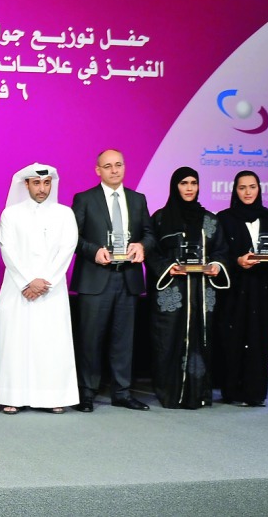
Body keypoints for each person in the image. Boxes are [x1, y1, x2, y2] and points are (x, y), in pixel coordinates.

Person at [68, 149, 154, 412]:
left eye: (119, 165)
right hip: (95, 280)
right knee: (90, 340)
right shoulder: (84, 199)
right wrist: (93, 251)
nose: (115, 170)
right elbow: (72, 237)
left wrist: (142, 246)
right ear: (98, 170)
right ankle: (87, 393)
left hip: (127, 280)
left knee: (123, 340)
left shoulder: (138, 199)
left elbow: (150, 234)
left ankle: (122, 392)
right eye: (108, 166)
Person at [0, 163, 79, 415]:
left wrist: (45, 281)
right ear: (26, 184)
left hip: (51, 290)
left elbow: (67, 249)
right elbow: (6, 249)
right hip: (17, 289)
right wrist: (26, 281)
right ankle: (12, 396)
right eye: (36, 183)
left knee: (51, 342)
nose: (42, 188)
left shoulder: (65, 214)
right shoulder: (11, 214)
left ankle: (54, 396)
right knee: (15, 341)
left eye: (46, 183)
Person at [147, 167, 230, 409]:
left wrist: (216, 265)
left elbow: (222, 251)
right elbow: (151, 252)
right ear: (175, 186)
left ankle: (199, 393)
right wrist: (167, 267)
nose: (190, 187)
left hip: (202, 293)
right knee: (168, 340)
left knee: (200, 340)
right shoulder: (161, 218)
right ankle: (170, 393)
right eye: (184, 183)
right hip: (172, 292)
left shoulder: (211, 221)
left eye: (194, 183)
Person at [216, 170, 268, 407]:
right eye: (242, 187)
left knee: (260, 339)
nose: (247, 192)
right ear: (235, 191)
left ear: (259, 189)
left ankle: (255, 393)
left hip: (264, 290)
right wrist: (237, 262)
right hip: (236, 291)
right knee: (234, 339)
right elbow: (219, 254)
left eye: (252, 187)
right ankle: (232, 392)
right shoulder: (224, 218)